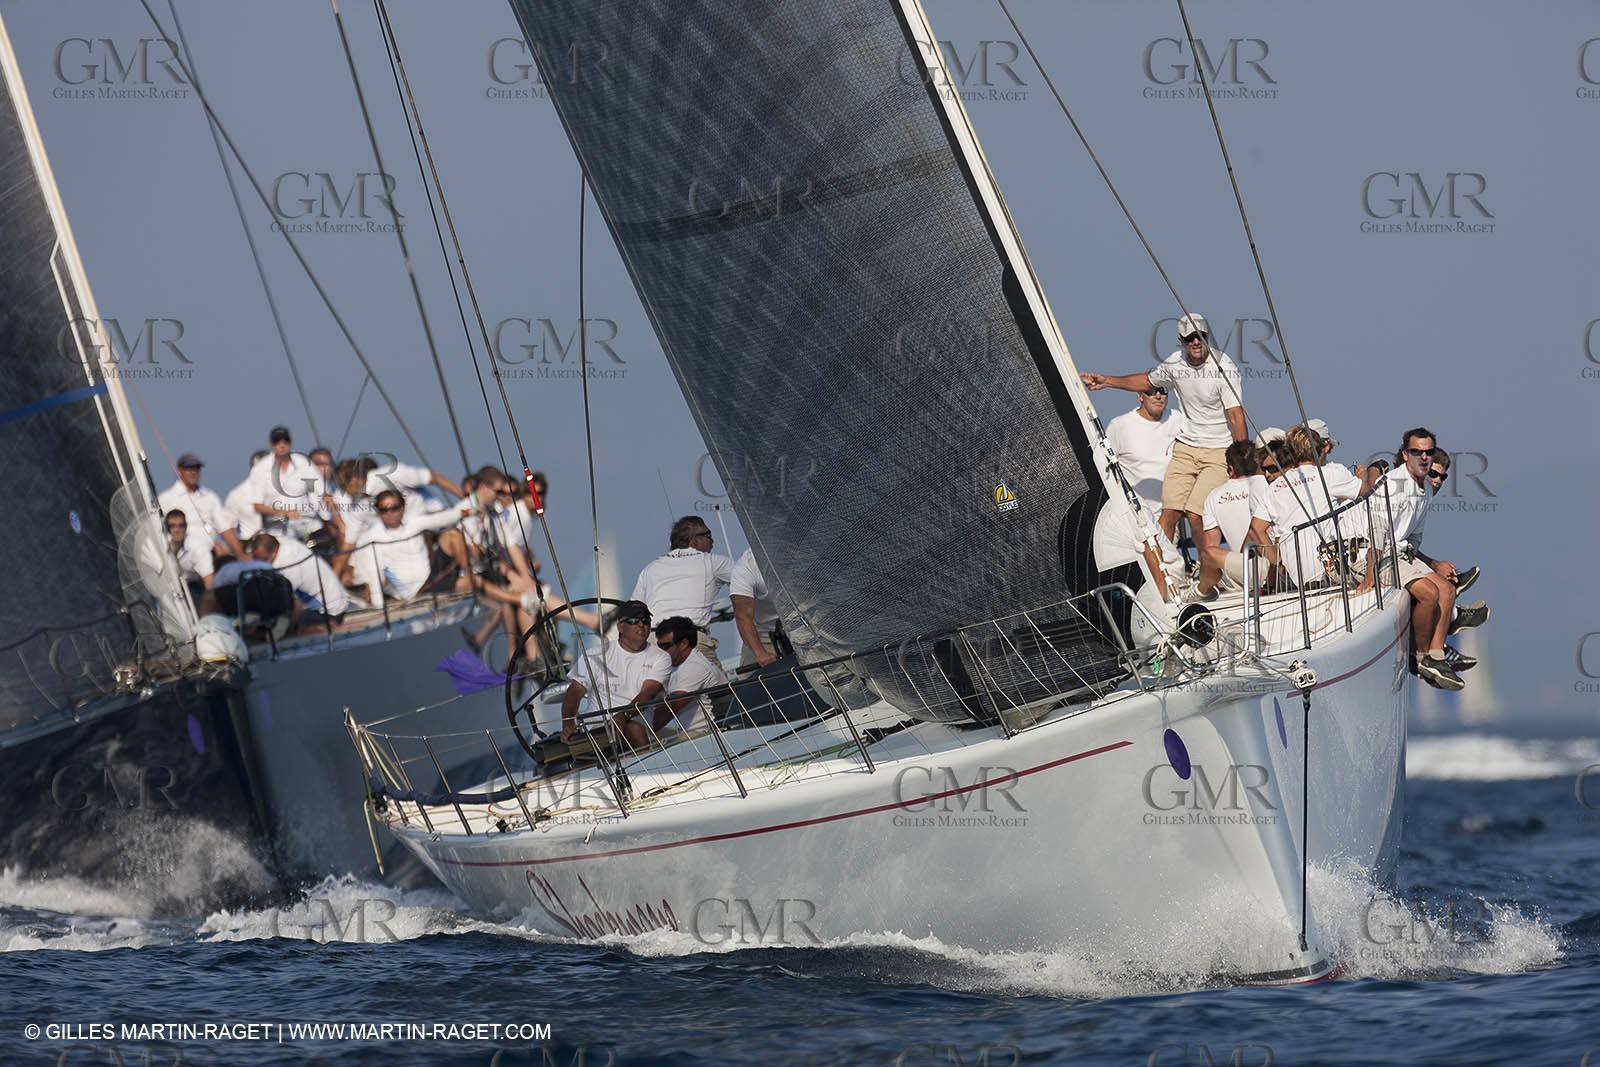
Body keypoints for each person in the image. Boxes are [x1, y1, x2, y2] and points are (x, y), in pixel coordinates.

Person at [1081, 312, 1245, 546]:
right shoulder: (1175, 363)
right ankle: (1164, 573)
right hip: (1187, 447)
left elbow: (1236, 417)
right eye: (1190, 338)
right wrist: (1107, 381)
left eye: (1200, 336)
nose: (1196, 342)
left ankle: (1209, 571)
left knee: (1196, 513)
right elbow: (1148, 381)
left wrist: (1241, 465)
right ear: (1181, 340)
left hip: (1217, 450)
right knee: (1169, 514)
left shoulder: (1223, 367)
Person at [1378, 428, 1487, 690]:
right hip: (1381, 555)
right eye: (1433, 474)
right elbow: (1378, 535)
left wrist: (1433, 565)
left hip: (1401, 554)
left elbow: (1411, 543)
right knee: (1429, 593)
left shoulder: (1423, 494)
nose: (1437, 479)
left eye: (1442, 476)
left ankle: (1436, 655)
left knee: (1447, 590)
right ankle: (1440, 634)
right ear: (1406, 456)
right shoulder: (1395, 487)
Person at [559, 601, 671, 748]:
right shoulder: (595, 655)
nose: (641, 625)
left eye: (645, 620)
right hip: (597, 729)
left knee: (634, 728)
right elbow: (574, 692)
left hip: (638, 727)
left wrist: (623, 716)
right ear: (620, 627)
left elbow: (648, 693)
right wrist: (568, 724)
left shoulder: (661, 657)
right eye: (633, 621)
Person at [1268, 426, 1366, 590]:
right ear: (1319, 448)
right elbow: (1366, 490)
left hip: (1297, 579)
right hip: (1329, 573)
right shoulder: (1331, 474)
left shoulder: (1275, 486)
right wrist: (1373, 471)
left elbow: (1256, 529)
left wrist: (1278, 563)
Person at [631, 516, 735, 659]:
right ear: (694, 540)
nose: (713, 541)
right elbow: (749, 580)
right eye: (708, 535)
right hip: (688, 642)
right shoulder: (713, 562)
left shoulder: (650, 569)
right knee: (717, 680)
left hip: (654, 646)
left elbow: (634, 611)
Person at [348, 489, 472, 605]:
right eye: (384, 510)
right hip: (413, 594)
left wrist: (463, 513)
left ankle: (469, 573)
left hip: (430, 579)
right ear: (378, 512)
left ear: (402, 508)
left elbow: (439, 519)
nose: (390, 513)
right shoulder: (372, 538)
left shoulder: (414, 523)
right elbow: (375, 573)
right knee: (473, 581)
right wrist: (379, 606)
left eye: (395, 508)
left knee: (453, 535)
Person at [1193, 443, 1276, 599]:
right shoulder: (1267, 483)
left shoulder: (1214, 496)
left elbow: (1211, 548)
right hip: (1278, 564)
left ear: (1230, 468)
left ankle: (1201, 591)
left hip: (1247, 572)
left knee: (1208, 554)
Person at [1103, 385, 1181, 517]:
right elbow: (1105, 470)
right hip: (1135, 518)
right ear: (1140, 396)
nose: (1158, 396)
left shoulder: (1178, 419)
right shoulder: (1119, 426)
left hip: (1169, 517)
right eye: (1150, 391)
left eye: (1162, 391)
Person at [250, 533, 358, 626]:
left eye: (264, 560)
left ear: (274, 552)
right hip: (336, 601)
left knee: (275, 623)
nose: (260, 564)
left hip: (327, 612)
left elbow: (296, 605)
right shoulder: (282, 542)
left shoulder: (287, 567)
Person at [158, 453, 244, 560]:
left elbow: (225, 528)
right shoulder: (166, 498)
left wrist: (241, 555)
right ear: (179, 471)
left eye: (197, 468)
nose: (193, 472)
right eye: (189, 469)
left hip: (209, 553)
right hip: (181, 556)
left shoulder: (210, 497)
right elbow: (158, 529)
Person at [652, 615, 728, 736]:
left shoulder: (694, 666)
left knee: (639, 738)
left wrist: (642, 728)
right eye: (659, 646)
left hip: (707, 733)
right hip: (689, 732)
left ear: (683, 644)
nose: (661, 652)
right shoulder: (674, 665)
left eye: (665, 646)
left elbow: (671, 707)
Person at [730, 549, 790, 667]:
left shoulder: (800, 552)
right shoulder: (745, 567)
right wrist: (760, 653)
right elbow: (743, 616)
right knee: (748, 681)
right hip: (763, 633)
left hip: (803, 626)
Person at [162, 509, 214, 606]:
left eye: (180, 526)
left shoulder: (197, 546)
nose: (176, 530)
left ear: (186, 527)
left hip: (192, 586)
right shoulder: (160, 546)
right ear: (166, 529)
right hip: (168, 587)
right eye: (172, 526)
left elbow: (209, 580)